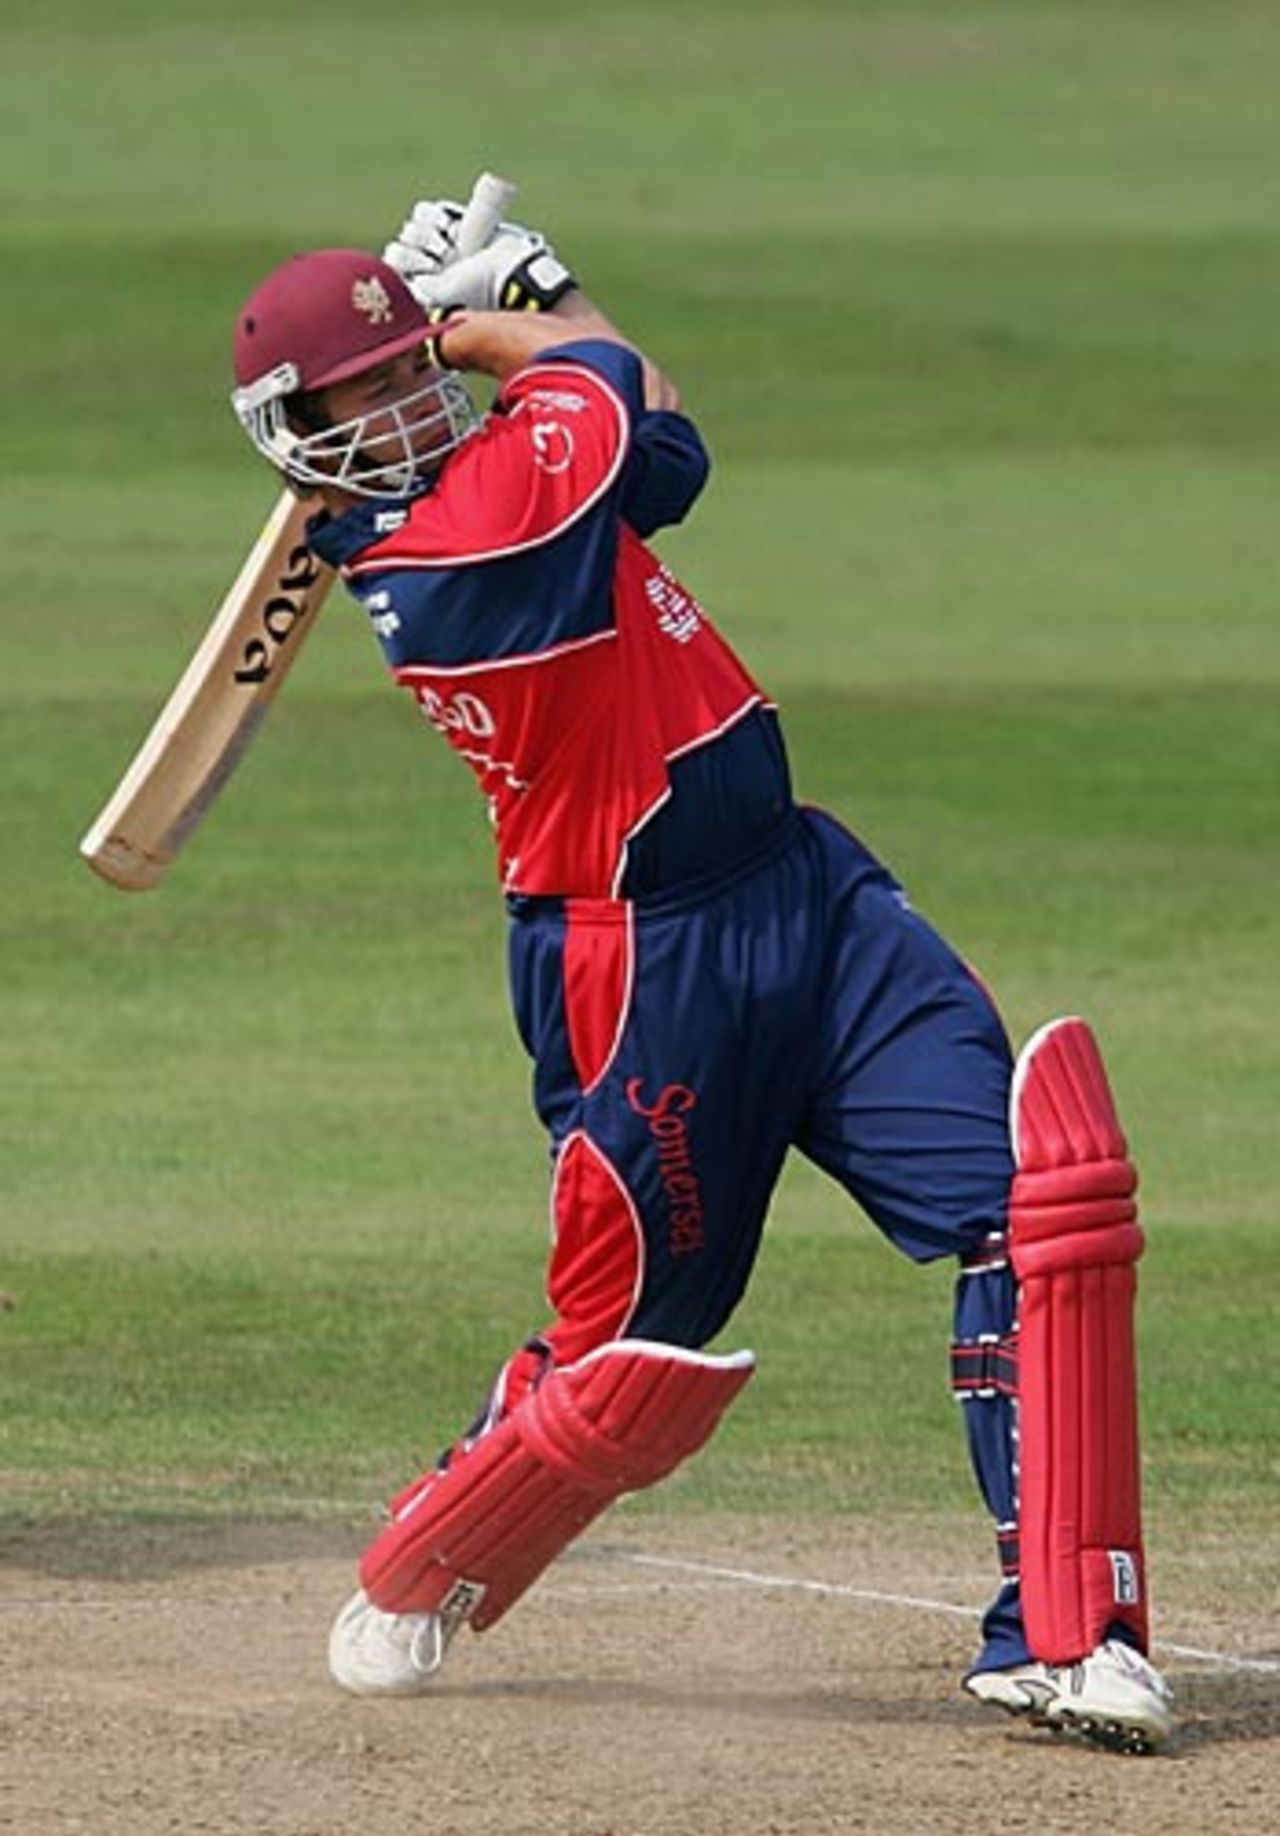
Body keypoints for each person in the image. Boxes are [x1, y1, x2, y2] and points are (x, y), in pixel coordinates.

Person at [229, 192, 1173, 1751]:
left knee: (1040, 1215)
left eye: (412, 375)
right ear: (299, 436)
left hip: (811, 896)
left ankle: (1071, 1635)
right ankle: (431, 1549)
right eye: (368, 391)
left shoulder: (513, 481)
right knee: (622, 1358)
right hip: (641, 961)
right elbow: (602, 385)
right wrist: (489, 306)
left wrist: (532, 296)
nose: (403, 404)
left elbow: (666, 437)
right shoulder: (453, 548)